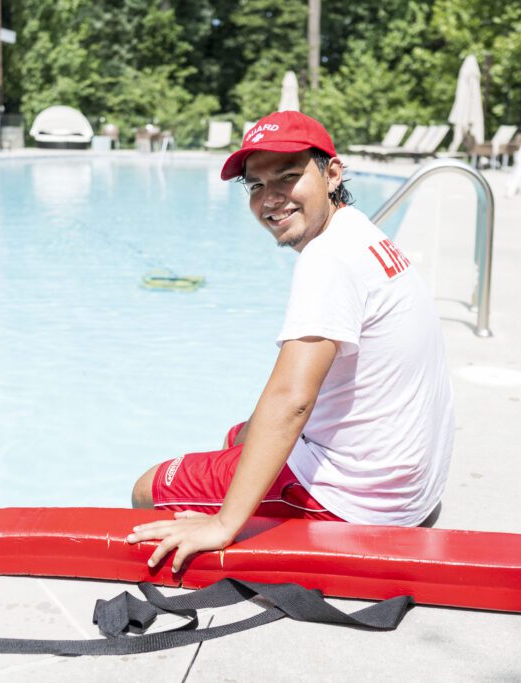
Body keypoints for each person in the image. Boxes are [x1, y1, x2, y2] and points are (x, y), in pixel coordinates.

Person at [127, 111, 454, 572]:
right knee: (237, 436)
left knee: (148, 487)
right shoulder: (360, 232)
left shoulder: (328, 260)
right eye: (256, 186)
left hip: (362, 501)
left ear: (332, 173)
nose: (270, 199)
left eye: (287, 176)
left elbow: (292, 400)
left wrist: (223, 524)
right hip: (403, 481)